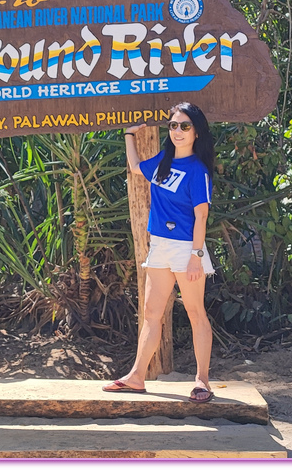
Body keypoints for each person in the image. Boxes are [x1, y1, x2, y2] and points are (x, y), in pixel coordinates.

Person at [103, 102, 217, 403]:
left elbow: (202, 216)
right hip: (160, 247)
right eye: (173, 125)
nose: (177, 131)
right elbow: (135, 166)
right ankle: (137, 376)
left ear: (196, 132)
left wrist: (196, 256)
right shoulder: (163, 161)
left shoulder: (198, 171)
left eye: (184, 126)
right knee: (151, 313)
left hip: (186, 248)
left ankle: (202, 380)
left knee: (195, 313)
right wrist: (129, 135)